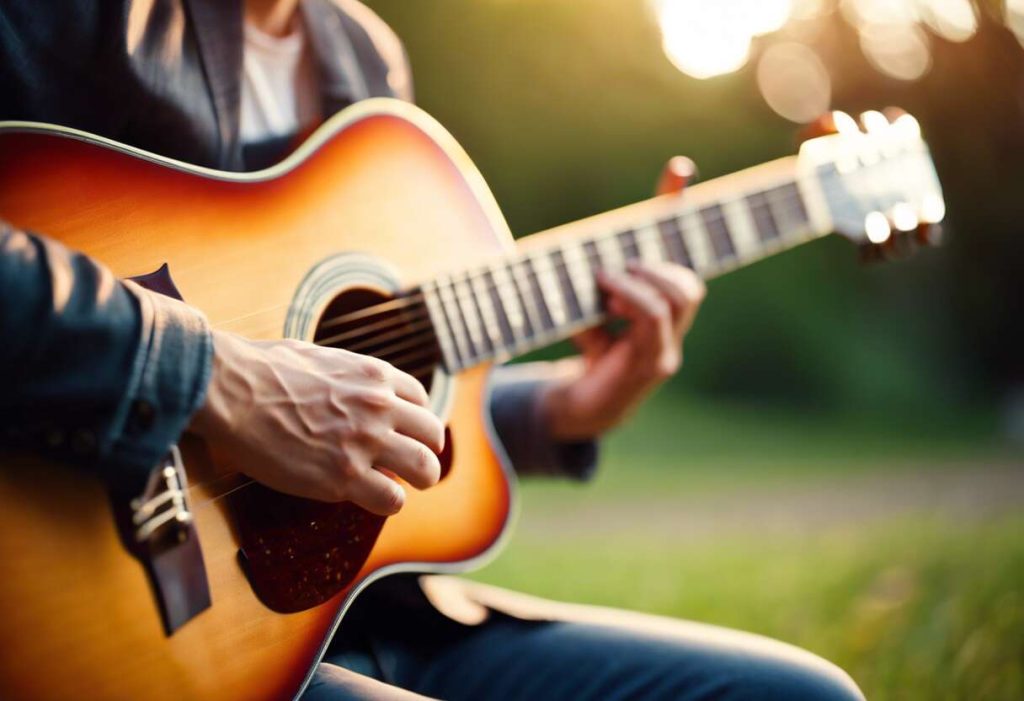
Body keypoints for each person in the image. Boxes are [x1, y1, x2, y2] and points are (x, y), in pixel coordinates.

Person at [0, 1, 864, 699]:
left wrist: (565, 407)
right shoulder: (56, 22)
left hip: (367, 620)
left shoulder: (361, 58)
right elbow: (269, 385)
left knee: (802, 693)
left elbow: (349, 386)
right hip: (118, 644)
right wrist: (213, 379)